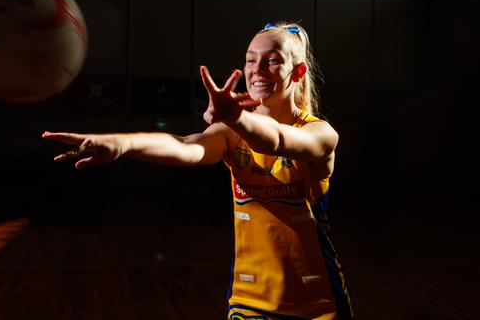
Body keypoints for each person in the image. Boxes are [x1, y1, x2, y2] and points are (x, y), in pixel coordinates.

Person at [42, 21, 354, 320]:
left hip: (317, 303)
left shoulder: (320, 133)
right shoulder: (231, 132)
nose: (256, 70)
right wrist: (121, 144)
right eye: (250, 60)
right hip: (250, 300)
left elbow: (278, 140)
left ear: (297, 72)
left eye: (272, 61)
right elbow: (186, 146)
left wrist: (234, 116)